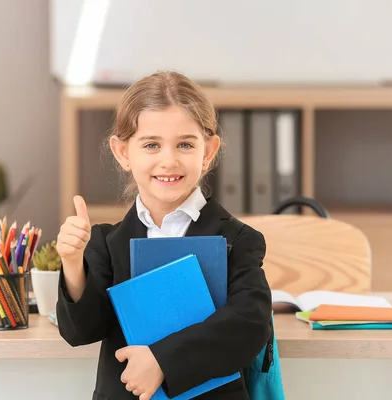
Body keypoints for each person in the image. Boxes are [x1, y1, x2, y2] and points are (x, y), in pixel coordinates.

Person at [55, 70, 272, 400]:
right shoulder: (105, 243)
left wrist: (162, 361)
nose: (168, 161)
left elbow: (249, 325)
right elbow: (81, 331)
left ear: (209, 151)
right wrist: (72, 263)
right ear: (123, 153)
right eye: (151, 145)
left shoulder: (239, 240)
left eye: (185, 144)